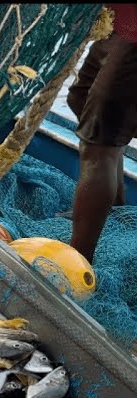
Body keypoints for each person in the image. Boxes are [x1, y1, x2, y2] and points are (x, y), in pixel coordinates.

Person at [67, 3, 137, 263]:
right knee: (79, 98)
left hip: (133, 38)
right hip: (117, 22)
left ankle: (78, 260)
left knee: (98, 146)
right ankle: (112, 205)